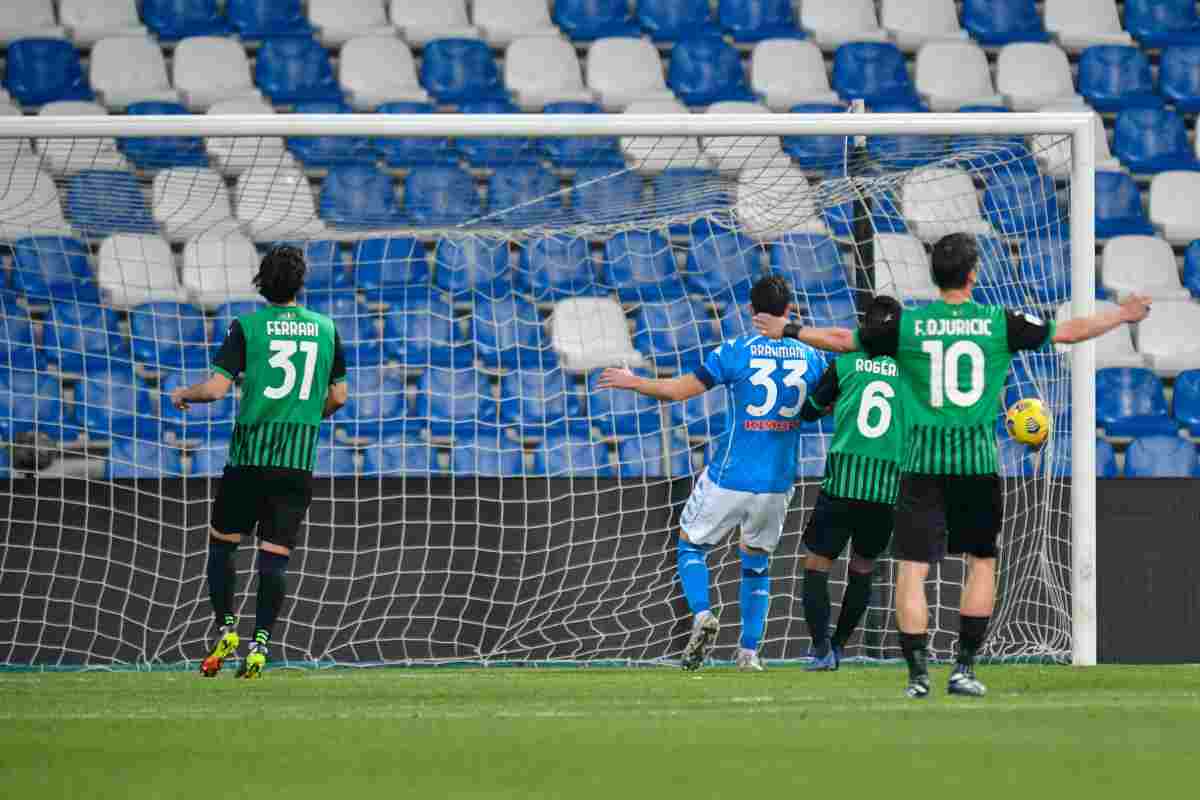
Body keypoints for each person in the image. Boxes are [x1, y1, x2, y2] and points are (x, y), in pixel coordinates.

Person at [754, 233, 1151, 698]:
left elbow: (844, 340)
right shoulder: (998, 323)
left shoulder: (911, 327)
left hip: (921, 465)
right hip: (976, 464)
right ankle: (963, 668)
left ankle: (918, 676)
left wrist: (792, 330)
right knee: (981, 564)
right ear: (973, 273)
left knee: (912, 568)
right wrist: (1122, 315)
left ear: (933, 276)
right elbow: (1067, 331)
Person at [598, 275, 826, 672]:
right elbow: (828, 400)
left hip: (729, 476)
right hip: (778, 482)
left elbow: (677, 392)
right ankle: (749, 652)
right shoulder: (812, 356)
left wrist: (633, 382)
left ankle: (703, 614)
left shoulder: (736, 351)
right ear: (789, 311)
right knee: (756, 562)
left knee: (690, 546)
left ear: (752, 312)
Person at [171, 245, 349, 679]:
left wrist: (182, 394)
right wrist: (307, 415)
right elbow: (339, 396)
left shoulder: (246, 327)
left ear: (261, 283)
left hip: (249, 459)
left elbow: (214, 390)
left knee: (222, 544)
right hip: (295, 462)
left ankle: (226, 628)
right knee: (275, 556)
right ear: (300, 283)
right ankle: (260, 646)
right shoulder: (326, 329)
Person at [783, 295, 906, 672]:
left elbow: (808, 413)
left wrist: (833, 403)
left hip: (843, 483)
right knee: (863, 568)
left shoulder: (846, 364)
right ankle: (838, 645)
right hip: (885, 488)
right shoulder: (913, 372)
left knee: (817, 565)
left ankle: (821, 650)